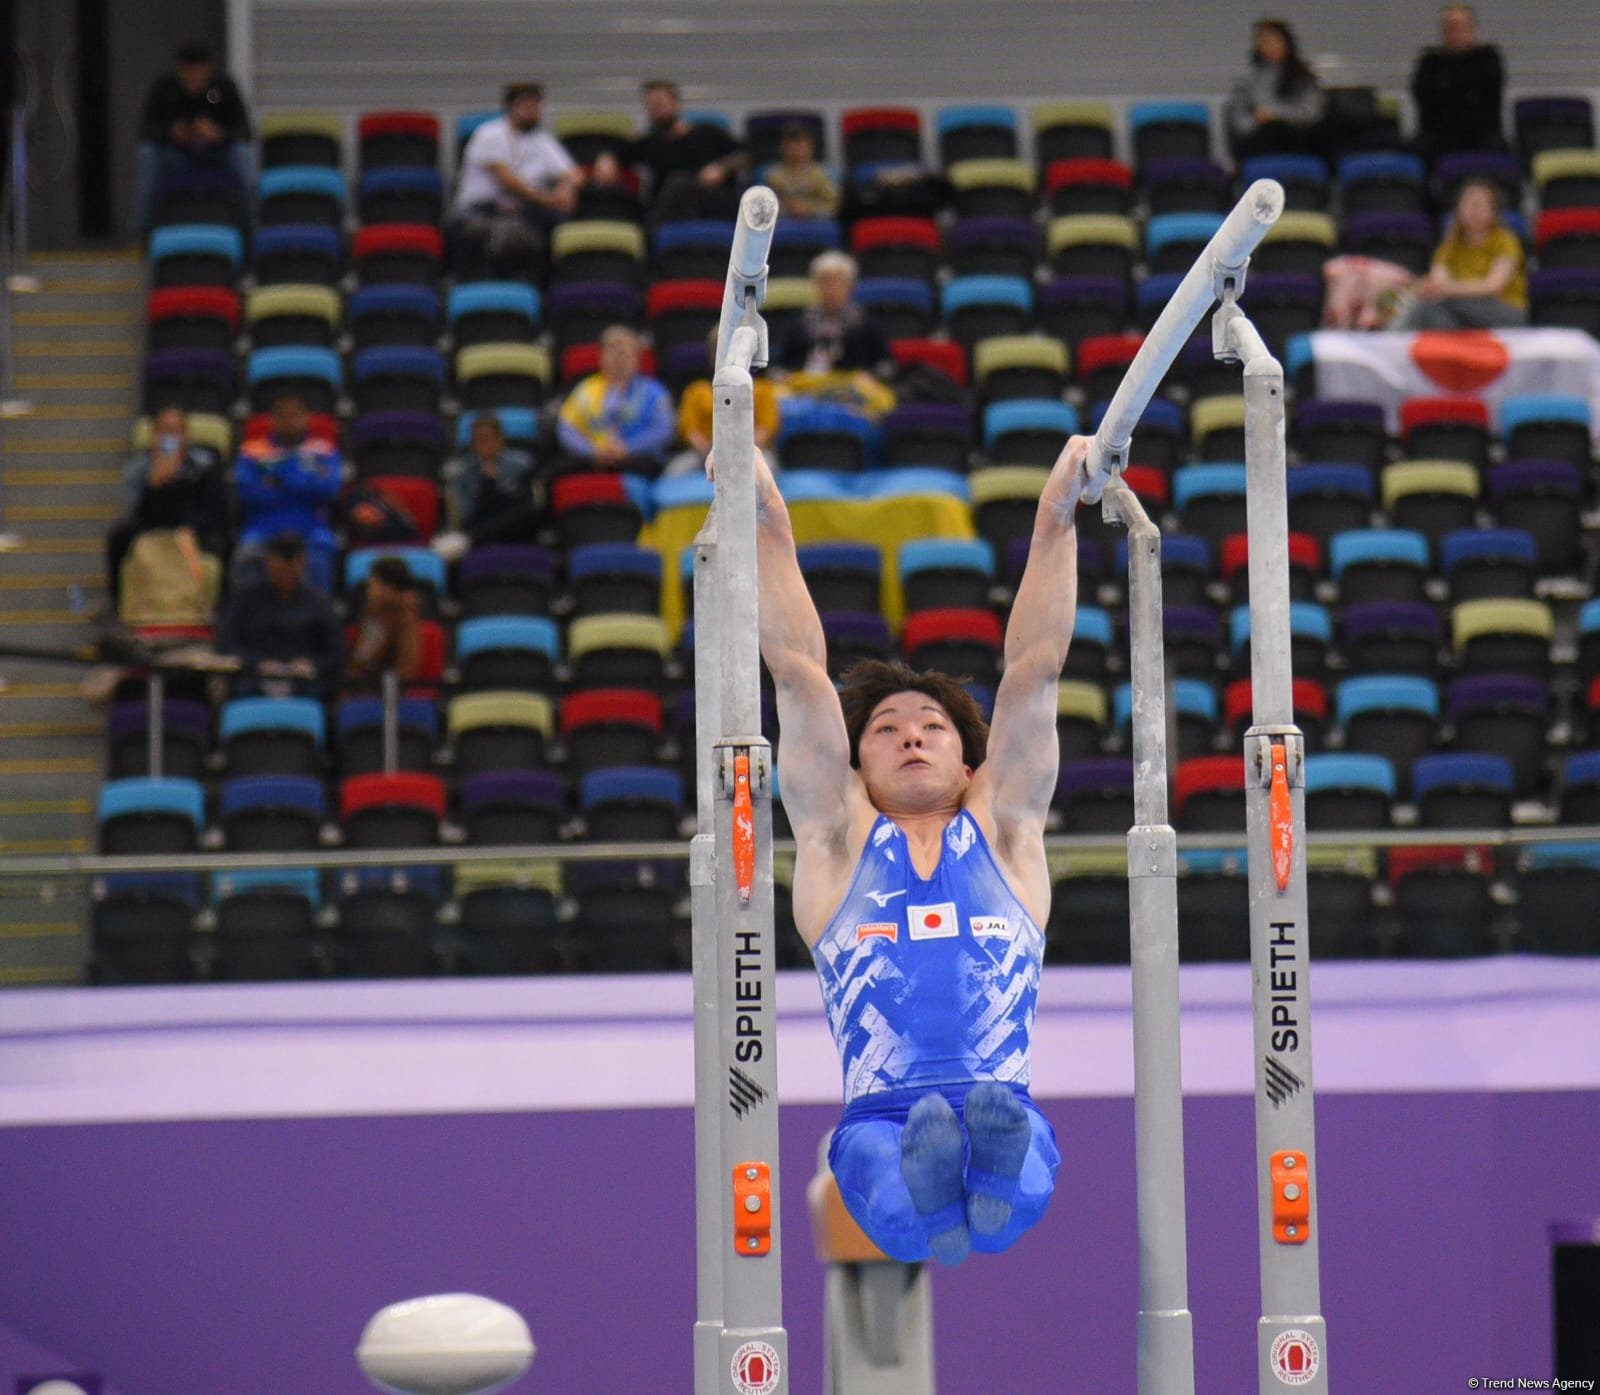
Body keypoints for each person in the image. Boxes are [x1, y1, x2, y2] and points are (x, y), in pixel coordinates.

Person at [735, 432, 1098, 1266]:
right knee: (874, 1166)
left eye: (932, 727)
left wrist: (1055, 522)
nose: (910, 737)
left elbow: (1035, 670)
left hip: (999, 1099)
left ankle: (987, 1182)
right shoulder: (834, 838)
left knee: (1026, 1145)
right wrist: (769, 516)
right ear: (853, 766)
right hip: (881, 1118)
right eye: (887, 731)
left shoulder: (1005, 829)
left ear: (970, 765)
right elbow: (797, 671)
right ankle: (945, 1199)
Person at [450, 82, 580, 279]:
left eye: (537, 105)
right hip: (481, 210)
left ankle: (542, 288)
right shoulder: (489, 134)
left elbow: (574, 173)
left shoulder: (541, 141)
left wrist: (566, 189)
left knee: (559, 223)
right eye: (527, 105)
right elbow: (507, 182)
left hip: (521, 211)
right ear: (511, 107)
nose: (533, 111)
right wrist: (549, 201)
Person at [106, 405, 230, 607]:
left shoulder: (204, 465)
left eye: (175, 431)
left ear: (185, 435)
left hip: (194, 528)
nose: (170, 438)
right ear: (154, 435)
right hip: (153, 527)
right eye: (164, 431)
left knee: (225, 542)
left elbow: (216, 509)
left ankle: (219, 607)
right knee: (118, 537)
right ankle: (117, 603)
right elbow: (134, 513)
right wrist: (154, 486)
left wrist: (190, 527)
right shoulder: (138, 469)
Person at [134, 43, 253, 232]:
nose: (194, 79)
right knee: (147, 154)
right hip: (178, 156)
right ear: (180, 71)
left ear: (209, 71)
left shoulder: (225, 87)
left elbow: (245, 131)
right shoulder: (165, 88)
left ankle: (249, 227)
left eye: (199, 74)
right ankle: (144, 230)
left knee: (242, 153)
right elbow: (145, 131)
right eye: (189, 73)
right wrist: (170, 133)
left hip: (216, 155)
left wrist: (219, 134)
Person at [591, 80, 746, 223]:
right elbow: (620, 153)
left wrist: (722, 168)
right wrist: (606, 159)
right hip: (669, 207)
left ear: (676, 104)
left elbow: (745, 154)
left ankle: (650, 234)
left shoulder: (707, 132)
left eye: (659, 103)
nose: (655, 110)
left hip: (710, 197)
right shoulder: (649, 142)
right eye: (651, 105)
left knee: (677, 183)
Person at [232, 393, 343, 590]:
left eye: (295, 416)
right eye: (283, 417)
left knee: (322, 550)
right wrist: (304, 484)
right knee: (247, 553)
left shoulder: (323, 451)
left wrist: (281, 480)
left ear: (306, 419)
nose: (289, 422)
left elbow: (328, 490)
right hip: (263, 525)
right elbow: (249, 493)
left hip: (310, 526)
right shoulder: (253, 451)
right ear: (273, 420)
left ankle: (319, 615)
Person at [216, 532, 343, 697]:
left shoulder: (318, 602)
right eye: (279, 570)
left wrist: (312, 664)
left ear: (301, 564)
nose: (285, 576)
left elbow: (336, 651)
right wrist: (257, 663)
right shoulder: (245, 598)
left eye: (291, 570)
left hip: (303, 679)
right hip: (254, 675)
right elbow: (226, 642)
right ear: (269, 564)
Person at [1394, 178, 1527, 331]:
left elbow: (1493, 286)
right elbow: (1439, 279)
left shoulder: (1505, 241)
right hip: (1459, 310)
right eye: (1467, 204)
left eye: (1477, 205)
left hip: (1504, 309)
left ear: (1493, 211)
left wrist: (1448, 290)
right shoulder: (1450, 244)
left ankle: (1396, 339)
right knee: (1433, 312)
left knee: (1438, 306)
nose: (1471, 210)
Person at [776, 251, 897, 418]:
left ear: (849, 286)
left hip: (850, 387)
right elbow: (779, 364)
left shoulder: (864, 323)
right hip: (805, 387)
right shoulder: (800, 323)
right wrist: (783, 376)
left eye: (837, 282)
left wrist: (872, 376)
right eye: (824, 282)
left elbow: (887, 364)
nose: (830, 289)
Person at [555, 325, 676, 475]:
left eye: (625, 353)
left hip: (637, 460)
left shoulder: (653, 391)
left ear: (637, 358)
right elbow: (566, 429)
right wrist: (592, 451)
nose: (618, 358)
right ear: (600, 357)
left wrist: (627, 449)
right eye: (612, 351)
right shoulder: (585, 390)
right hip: (592, 458)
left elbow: (664, 430)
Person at [667, 327, 780, 477]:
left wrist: (739, 451)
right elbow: (688, 429)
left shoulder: (762, 390)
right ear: (711, 355)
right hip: (705, 452)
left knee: (766, 470)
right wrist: (710, 451)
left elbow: (766, 428)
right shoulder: (696, 391)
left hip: (751, 452)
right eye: (719, 349)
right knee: (675, 472)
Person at [437, 412, 545, 555]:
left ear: (500, 440)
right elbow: (466, 516)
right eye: (478, 440)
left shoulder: (522, 465)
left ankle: (474, 538)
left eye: (488, 438)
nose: (483, 444)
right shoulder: (461, 473)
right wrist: (488, 483)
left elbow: (527, 510)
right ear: (472, 444)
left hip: (517, 533)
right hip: (480, 535)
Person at [1410, 4, 1506, 163]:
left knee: (1499, 148)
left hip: (1480, 134)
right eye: (1449, 29)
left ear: (1473, 29)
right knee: (1416, 149)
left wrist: (1447, 85)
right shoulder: (1429, 61)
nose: (1454, 34)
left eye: (1460, 28)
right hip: (1438, 134)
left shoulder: (1488, 58)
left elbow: (1488, 94)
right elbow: (1423, 96)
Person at [1226, 19, 1324, 161]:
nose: (1269, 46)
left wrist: (1276, 114)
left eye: (1274, 40)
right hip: (1259, 137)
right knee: (1267, 132)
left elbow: (1312, 113)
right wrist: (1256, 119)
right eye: (1264, 41)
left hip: (1297, 137)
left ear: (1286, 43)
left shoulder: (1303, 77)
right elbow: (1240, 123)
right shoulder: (1247, 81)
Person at [346, 557, 422, 685]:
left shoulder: (406, 618)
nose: (368, 588)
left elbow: (405, 669)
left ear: (389, 588)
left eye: (373, 583)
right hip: (363, 684)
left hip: (387, 692)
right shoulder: (374, 612)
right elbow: (363, 655)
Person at [765, 121, 839, 221]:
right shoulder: (773, 175)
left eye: (800, 144)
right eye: (790, 145)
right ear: (782, 147)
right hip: (782, 220)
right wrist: (788, 209)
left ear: (811, 147)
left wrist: (810, 209)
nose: (795, 149)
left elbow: (833, 204)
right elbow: (765, 206)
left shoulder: (822, 174)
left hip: (816, 221)